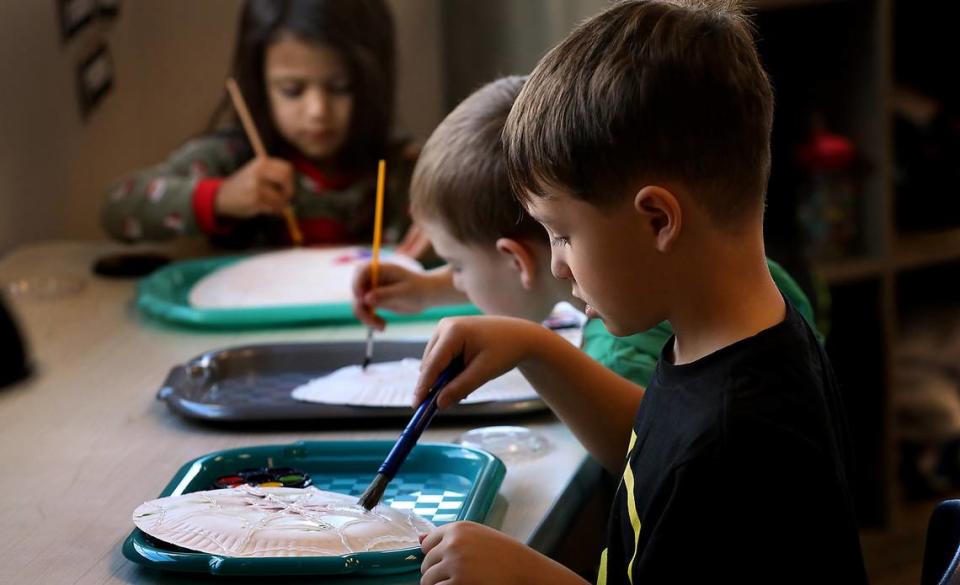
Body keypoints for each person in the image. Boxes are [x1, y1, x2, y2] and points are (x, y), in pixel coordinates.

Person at [412, 2, 868, 584]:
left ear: (657, 220)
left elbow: (691, 465)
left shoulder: (737, 439)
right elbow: (654, 450)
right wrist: (529, 347)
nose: (558, 266)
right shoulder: (723, 343)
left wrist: (533, 578)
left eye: (563, 234)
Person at [352, 76, 819, 388]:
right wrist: (425, 291)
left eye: (456, 266)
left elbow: (650, 453)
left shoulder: (624, 348)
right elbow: (527, 284)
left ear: (517, 259)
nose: (456, 280)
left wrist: (535, 352)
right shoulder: (726, 270)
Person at [102, 0, 418, 250]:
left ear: (373, 83)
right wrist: (221, 197)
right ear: (258, 84)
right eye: (292, 90)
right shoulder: (233, 156)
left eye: (340, 87)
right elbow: (118, 208)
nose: (318, 111)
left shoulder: (402, 168)